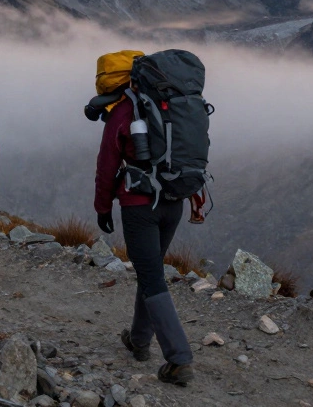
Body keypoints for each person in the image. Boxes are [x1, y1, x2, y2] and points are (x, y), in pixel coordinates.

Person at [88, 50, 194, 387]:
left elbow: (107, 166)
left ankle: (179, 359)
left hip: (139, 205)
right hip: (174, 202)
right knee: (151, 271)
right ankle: (139, 340)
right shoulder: (175, 108)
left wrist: (102, 208)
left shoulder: (123, 112)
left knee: (150, 276)